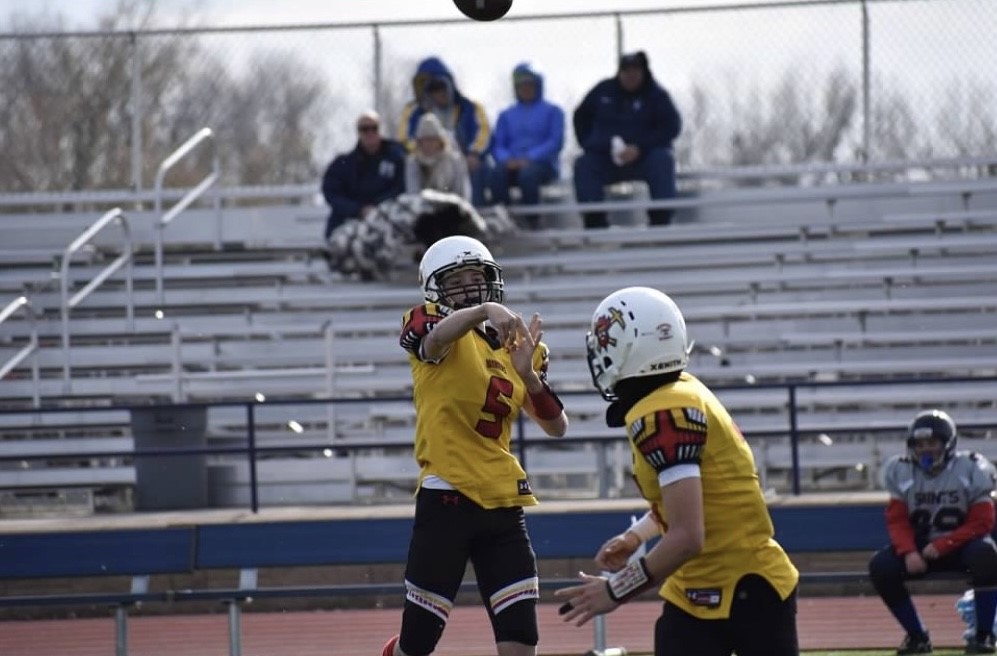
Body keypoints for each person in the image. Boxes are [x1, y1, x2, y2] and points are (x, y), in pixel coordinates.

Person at [554, 286, 799, 656]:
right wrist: (636, 536)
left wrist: (614, 589)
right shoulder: (678, 392)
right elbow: (688, 500)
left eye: (605, 341)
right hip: (696, 589)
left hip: (744, 587)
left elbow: (687, 536)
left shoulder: (663, 411)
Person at [382, 235, 569, 656]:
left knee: (521, 637)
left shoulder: (521, 347)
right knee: (419, 642)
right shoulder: (426, 322)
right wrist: (483, 310)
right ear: (436, 289)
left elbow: (557, 426)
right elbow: (434, 339)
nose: (469, 287)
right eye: (457, 281)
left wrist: (530, 377)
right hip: (447, 496)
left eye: (476, 279)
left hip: (504, 502)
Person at [868, 409, 997, 655]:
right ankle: (917, 636)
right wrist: (908, 552)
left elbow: (982, 521)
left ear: (947, 443)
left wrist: (944, 544)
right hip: (921, 546)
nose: (926, 449)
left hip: (961, 545)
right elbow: (897, 520)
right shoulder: (902, 470)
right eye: (920, 444)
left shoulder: (969, 467)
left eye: (932, 443)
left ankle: (984, 635)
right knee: (881, 566)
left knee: (986, 554)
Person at [572, 51, 682, 229]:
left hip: (645, 157)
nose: (630, 76)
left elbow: (671, 126)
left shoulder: (656, 95)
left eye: (635, 71)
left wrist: (640, 147)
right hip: (606, 157)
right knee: (584, 164)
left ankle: (661, 219)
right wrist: (589, 143)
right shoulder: (603, 91)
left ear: (644, 72)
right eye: (626, 71)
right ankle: (594, 221)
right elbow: (581, 116)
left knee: (663, 159)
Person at [398, 56, 493, 208]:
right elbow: (404, 139)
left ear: (450, 85)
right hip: (430, 162)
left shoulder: (469, 108)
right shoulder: (417, 112)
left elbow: (484, 132)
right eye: (433, 89)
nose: (439, 93)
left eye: (441, 87)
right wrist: (423, 152)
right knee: (410, 165)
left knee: (479, 167)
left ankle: (473, 215)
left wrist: (474, 153)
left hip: (462, 160)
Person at [488, 63, 565, 230]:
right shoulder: (506, 115)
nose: (526, 89)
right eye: (522, 86)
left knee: (528, 175)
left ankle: (533, 221)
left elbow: (555, 142)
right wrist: (507, 159)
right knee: (496, 173)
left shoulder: (553, 111)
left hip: (543, 165)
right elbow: (497, 144)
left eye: (530, 85)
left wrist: (530, 157)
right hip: (511, 164)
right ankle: (504, 219)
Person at [320, 110, 406, 240]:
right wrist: (359, 209)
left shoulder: (397, 157)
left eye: (374, 128)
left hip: (387, 221)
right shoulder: (344, 164)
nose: (370, 133)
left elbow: (401, 188)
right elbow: (331, 192)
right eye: (365, 129)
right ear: (358, 132)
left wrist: (377, 208)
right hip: (349, 222)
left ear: (380, 129)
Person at [405, 113, 472, 202]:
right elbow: (413, 195)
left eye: (432, 139)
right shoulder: (413, 163)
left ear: (440, 141)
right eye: (424, 140)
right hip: (423, 210)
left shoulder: (455, 161)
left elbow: (463, 195)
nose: (428, 144)